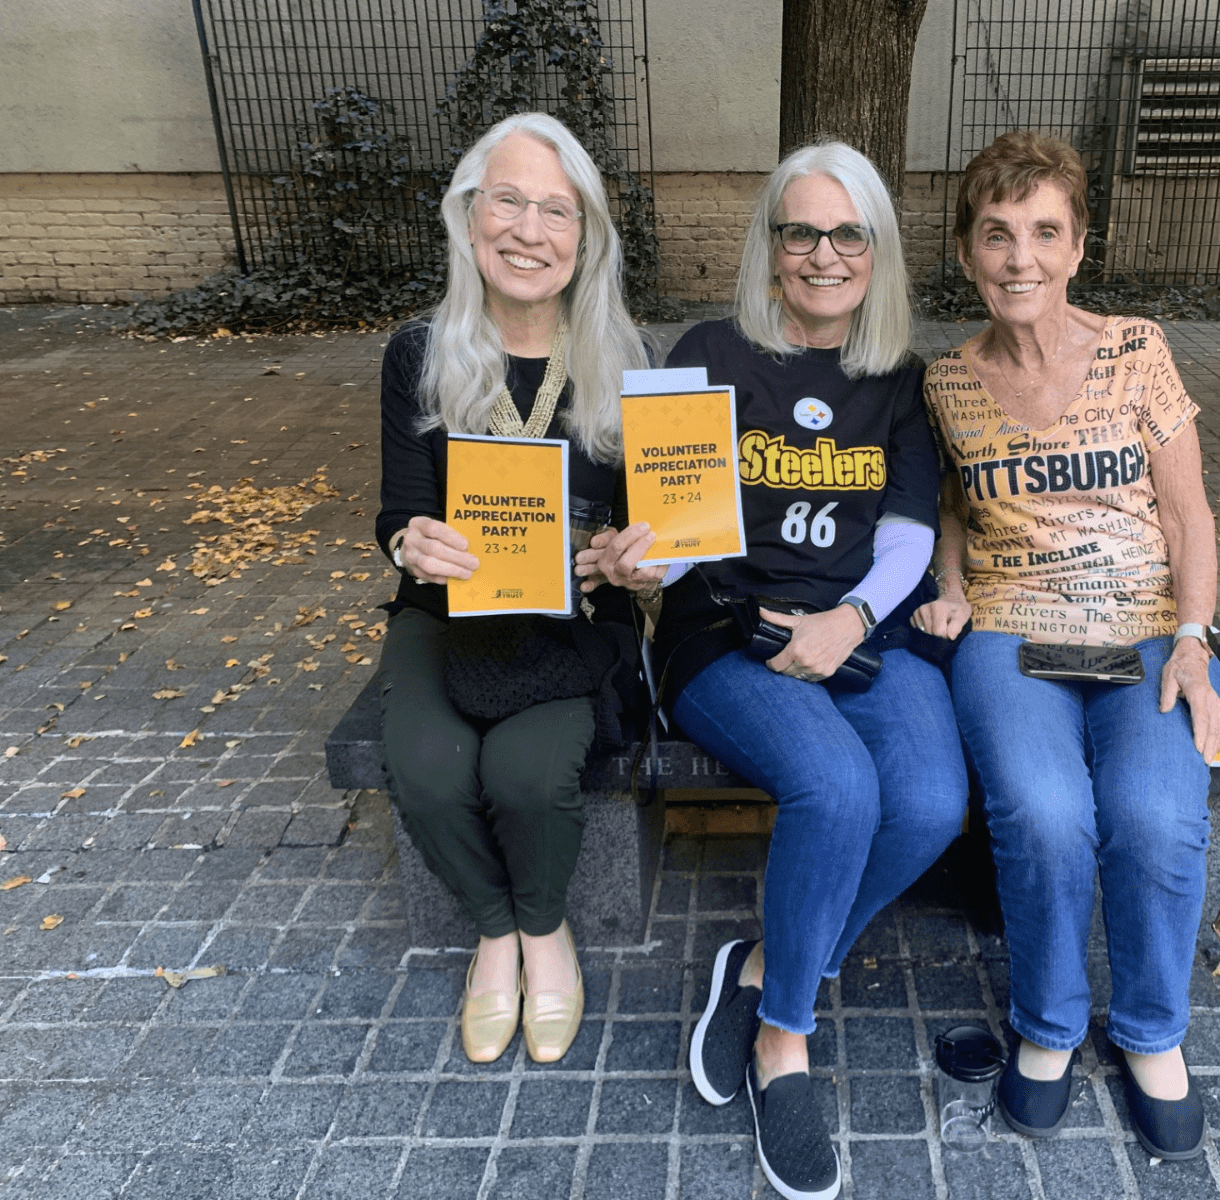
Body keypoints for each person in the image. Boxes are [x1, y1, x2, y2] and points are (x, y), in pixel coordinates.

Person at [581, 142, 966, 1200]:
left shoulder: (896, 378)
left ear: (876, 251)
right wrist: (643, 554)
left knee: (929, 801)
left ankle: (756, 967)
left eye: (849, 233)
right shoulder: (710, 349)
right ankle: (782, 1042)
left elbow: (902, 536)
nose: (824, 253)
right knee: (837, 786)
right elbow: (670, 526)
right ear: (771, 244)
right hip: (723, 631)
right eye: (801, 231)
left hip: (858, 628)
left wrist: (848, 621)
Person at [914, 129, 1220, 1159]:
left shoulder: (1136, 349)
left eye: (1043, 233)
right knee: (1045, 815)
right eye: (996, 235)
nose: (1019, 259)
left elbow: (1187, 518)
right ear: (966, 253)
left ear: (1078, 247)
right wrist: (951, 586)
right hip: (1010, 631)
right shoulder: (946, 383)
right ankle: (1047, 1027)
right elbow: (955, 506)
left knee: (1153, 814)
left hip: (1144, 631)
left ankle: (1148, 1033)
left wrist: (1191, 638)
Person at [374, 112, 647, 1066]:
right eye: (509, 201)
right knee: (429, 771)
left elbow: (650, 529)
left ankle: (547, 931)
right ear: (468, 217)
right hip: (444, 616)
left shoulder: (625, 364)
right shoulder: (419, 351)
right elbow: (395, 512)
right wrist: (412, 542)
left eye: (557, 211)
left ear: (587, 237)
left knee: (528, 777)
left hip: (572, 620)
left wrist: (631, 558)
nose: (530, 230)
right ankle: (499, 933)